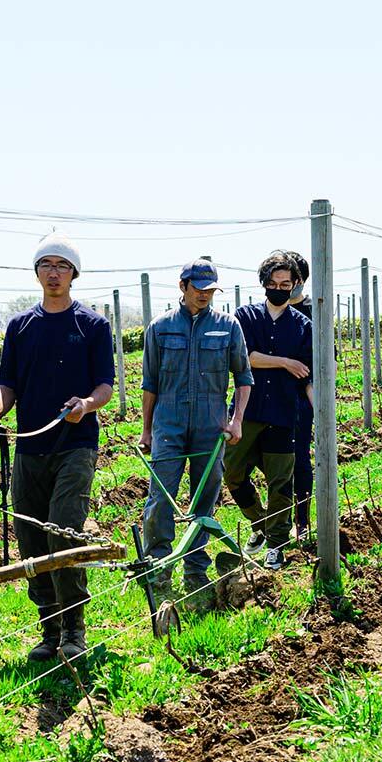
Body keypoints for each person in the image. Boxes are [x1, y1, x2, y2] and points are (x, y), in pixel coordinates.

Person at [0, 235, 115, 662]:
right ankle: (49, 629)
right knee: (30, 538)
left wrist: (87, 405)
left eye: (62, 265)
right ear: (37, 272)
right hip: (29, 448)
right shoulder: (20, 327)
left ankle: (75, 626)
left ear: (73, 273)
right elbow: (9, 383)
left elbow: (105, 386)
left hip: (75, 443)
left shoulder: (92, 325)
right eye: (46, 265)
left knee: (63, 531)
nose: (53, 272)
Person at [140, 259, 252, 610]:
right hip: (169, 423)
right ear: (182, 286)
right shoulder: (159, 329)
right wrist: (146, 430)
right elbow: (150, 384)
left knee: (204, 499)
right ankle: (157, 568)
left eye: (210, 290)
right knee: (161, 496)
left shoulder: (227, 326)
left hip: (211, 424)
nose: (204, 295)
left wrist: (236, 421)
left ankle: (195, 568)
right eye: (198, 288)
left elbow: (244, 378)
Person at [227, 252, 313, 569]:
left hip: (283, 413)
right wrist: (284, 363)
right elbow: (244, 357)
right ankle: (260, 522)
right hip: (245, 411)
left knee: (281, 483)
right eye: (273, 283)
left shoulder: (303, 327)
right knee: (232, 472)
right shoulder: (245, 317)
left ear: (294, 286)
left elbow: (308, 377)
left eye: (285, 284)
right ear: (264, 283)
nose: (279, 288)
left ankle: (276, 546)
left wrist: (323, 413)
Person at [282, 251, 316, 540]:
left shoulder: (312, 314)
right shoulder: (267, 312)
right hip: (268, 395)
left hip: (301, 399)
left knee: (299, 458)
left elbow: (320, 364)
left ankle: (301, 521)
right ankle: (275, 520)